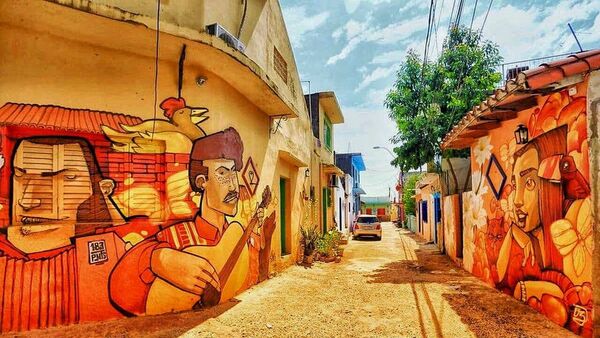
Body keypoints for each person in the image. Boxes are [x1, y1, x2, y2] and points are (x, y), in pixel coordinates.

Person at [109, 127, 268, 316]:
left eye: (234, 173)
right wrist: (156, 259)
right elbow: (120, 287)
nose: (234, 186)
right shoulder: (177, 236)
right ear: (202, 182)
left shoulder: (235, 233)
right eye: (223, 173)